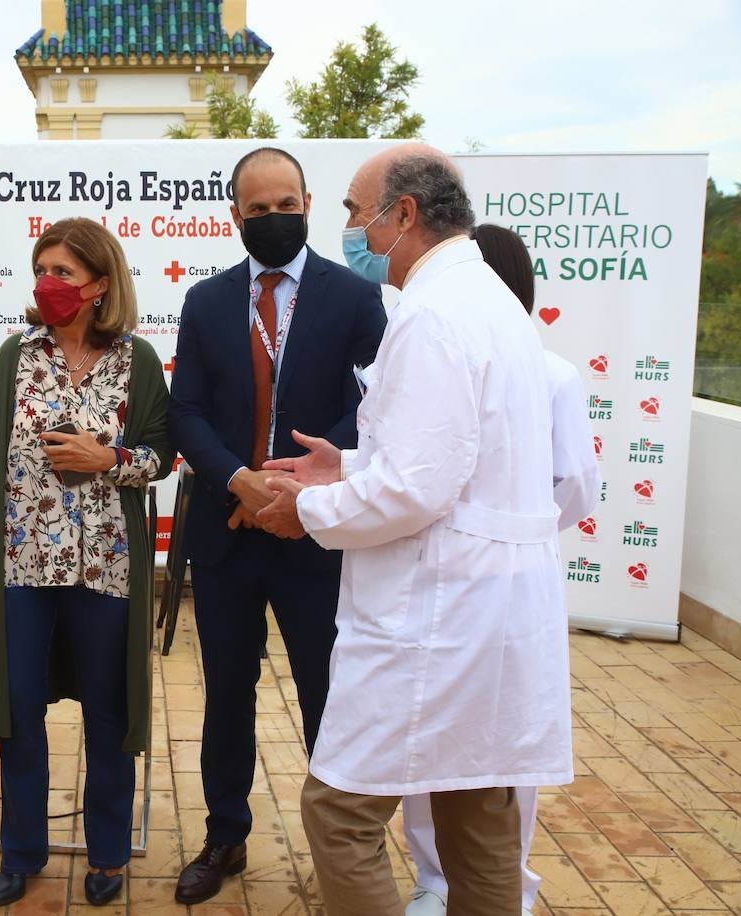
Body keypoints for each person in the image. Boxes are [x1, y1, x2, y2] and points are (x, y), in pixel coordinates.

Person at [256, 144, 572, 916]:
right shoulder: (492, 303)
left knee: (339, 814)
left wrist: (307, 508)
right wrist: (351, 464)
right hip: (496, 616)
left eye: (356, 213)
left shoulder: (432, 314)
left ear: (404, 215)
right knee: (479, 815)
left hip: (439, 615)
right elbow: (456, 457)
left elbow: (417, 491)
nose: (352, 232)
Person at [167, 147, 387, 904]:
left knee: (329, 692)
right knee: (227, 694)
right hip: (227, 535)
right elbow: (185, 412)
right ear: (235, 216)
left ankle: (344, 849)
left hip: (315, 537)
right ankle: (225, 835)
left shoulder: (357, 298)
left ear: (308, 203)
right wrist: (239, 478)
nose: (271, 219)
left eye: (284, 204)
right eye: (255, 210)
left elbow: (374, 407)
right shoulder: (205, 302)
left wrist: (298, 488)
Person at [0, 217, 174, 908]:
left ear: (100, 284)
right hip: (22, 566)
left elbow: (162, 459)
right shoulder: (14, 354)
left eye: (64, 273)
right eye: (41, 269)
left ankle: (107, 853)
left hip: (105, 570)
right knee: (17, 711)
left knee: (108, 714)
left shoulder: (136, 361)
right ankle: (22, 851)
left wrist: (106, 458)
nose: (48, 284)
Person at [401, 223, 599, 916]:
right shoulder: (433, 353)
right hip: (440, 582)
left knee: (504, 749)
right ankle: (434, 879)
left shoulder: (553, 374)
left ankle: (504, 882)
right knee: (431, 737)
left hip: (511, 581)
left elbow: (575, 483)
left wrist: (506, 522)